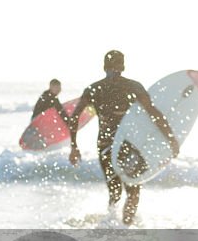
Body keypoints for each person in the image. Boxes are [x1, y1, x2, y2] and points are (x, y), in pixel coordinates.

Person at [67, 50, 179, 225]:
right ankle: (126, 225)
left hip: (105, 145)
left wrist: (74, 146)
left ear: (104, 67)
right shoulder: (133, 87)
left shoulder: (94, 88)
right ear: (123, 66)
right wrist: (170, 138)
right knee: (133, 190)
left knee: (115, 191)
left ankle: (111, 225)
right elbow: (153, 113)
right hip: (128, 145)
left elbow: (74, 118)